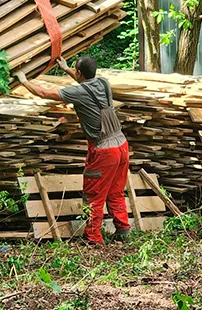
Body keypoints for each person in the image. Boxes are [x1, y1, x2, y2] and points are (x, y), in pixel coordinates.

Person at [15, 56, 131, 244]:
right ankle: (123, 229)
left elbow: (44, 93)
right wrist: (66, 69)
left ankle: (93, 237)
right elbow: (83, 82)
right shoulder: (103, 83)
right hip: (121, 144)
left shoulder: (79, 92)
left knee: (94, 195)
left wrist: (23, 80)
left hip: (104, 150)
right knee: (115, 190)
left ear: (79, 73)